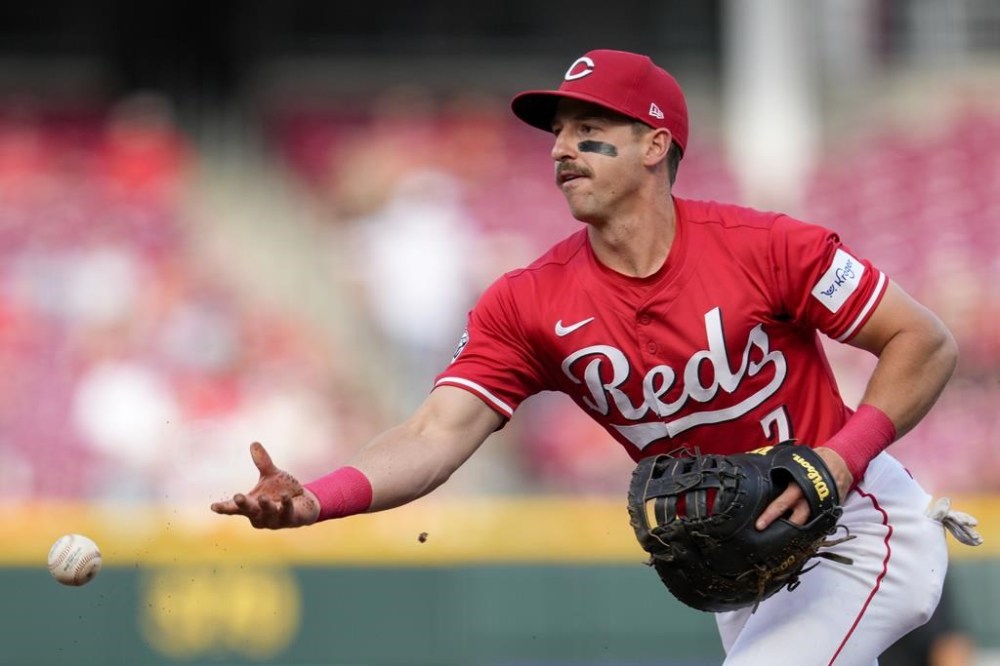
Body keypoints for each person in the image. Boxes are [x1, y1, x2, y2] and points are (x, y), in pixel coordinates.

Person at [212, 49, 966, 664]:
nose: (563, 146)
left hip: (857, 524)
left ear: (654, 145)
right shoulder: (530, 301)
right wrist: (319, 498)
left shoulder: (767, 246)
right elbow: (434, 434)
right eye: (558, 132)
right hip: (744, 563)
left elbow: (923, 339)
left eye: (590, 125)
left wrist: (841, 458)